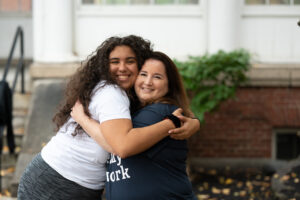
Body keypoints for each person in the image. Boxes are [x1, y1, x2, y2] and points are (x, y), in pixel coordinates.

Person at [17, 35, 199, 200]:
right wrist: (171, 123)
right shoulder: (112, 93)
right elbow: (121, 146)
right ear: (105, 65)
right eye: (115, 61)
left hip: (66, 181)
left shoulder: (127, 95)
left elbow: (120, 141)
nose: (122, 68)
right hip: (56, 181)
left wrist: (193, 122)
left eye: (130, 61)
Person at [72, 51, 197, 199]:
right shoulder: (138, 112)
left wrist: (83, 119)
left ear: (169, 85)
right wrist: (195, 122)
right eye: (143, 74)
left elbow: (121, 146)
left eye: (157, 77)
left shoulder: (158, 112)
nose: (148, 82)